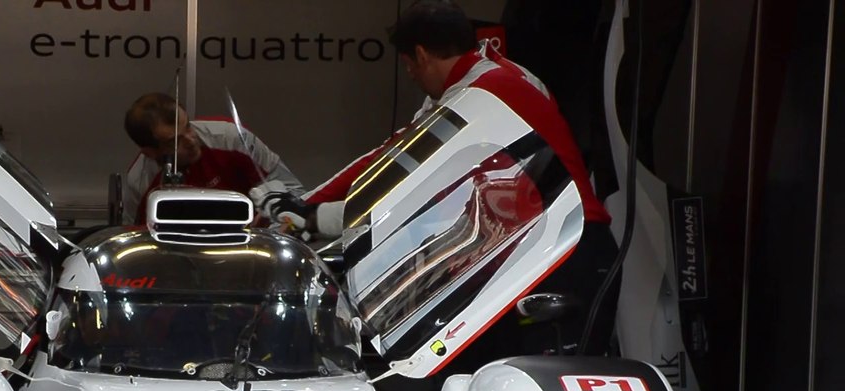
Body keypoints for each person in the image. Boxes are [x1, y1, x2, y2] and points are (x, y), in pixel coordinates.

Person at [257, 0, 619, 361]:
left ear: (421, 55)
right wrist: (305, 206)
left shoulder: (476, 97)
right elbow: (393, 158)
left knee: (537, 381)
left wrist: (314, 217)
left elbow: (409, 192)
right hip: (544, 250)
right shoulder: (493, 79)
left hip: (563, 251)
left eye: (408, 65)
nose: (411, 76)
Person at [121, 92, 304, 226]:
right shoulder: (140, 181)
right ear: (150, 152)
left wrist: (271, 225)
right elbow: (136, 238)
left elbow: (296, 194)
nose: (191, 140)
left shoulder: (232, 139)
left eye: (188, 126)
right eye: (174, 141)